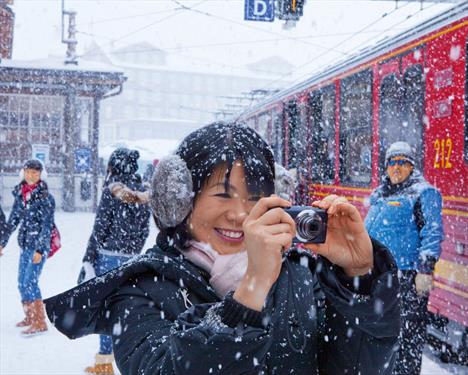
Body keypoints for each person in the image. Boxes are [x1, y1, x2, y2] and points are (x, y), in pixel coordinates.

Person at [45, 122, 400, 374]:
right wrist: (250, 293)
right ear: (180, 199)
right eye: (222, 194)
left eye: (255, 197)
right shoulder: (141, 291)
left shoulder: (298, 276)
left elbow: (356, 367)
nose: (241, 214)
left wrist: (358, 280)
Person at [365, 141, 444, 375]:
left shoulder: (423, 192)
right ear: (386, 166)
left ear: (411, 166)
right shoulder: (380, 194)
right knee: (381, 331)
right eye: (392, 162)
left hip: (407, 275)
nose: (396, 168)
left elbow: (432, 231)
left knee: (408, 334)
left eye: (402, 162)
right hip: (380, 274)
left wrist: (425, 269)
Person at [78, 148, 151, 375]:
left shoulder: (112, 191)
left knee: (107, 310)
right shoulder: (144, 192)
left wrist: (89, 255)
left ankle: (104, 364)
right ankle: (127, 361)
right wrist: (133, 251)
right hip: (132, 258)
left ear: (114, 166)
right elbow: (145, 228)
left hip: (108, 256)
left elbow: (100, 227)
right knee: (126, 310)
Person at [0, 159, 55, 336]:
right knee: (22, 283)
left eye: (35, 173)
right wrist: (2, 242)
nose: (31, 175)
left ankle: (40, 322)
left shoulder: (46, 197)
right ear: (23, 173)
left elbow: (47, 226)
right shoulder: (21, 194)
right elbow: (12, 221)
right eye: (29, 172)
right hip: (25, 245)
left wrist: (40, 249)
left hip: (38, 247)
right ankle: (30, 316)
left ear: (41, 175)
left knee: (31, 282)